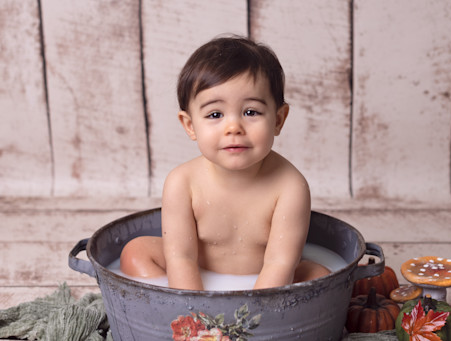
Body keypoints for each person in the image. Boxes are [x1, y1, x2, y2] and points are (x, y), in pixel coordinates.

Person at [120, 36, 330, 290]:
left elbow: (280, 262)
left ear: (277, 119)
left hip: (266, 280)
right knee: (135, 253)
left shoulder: (290, 186)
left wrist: (252, 316)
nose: (233, 127)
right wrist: (195, 314)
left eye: (251, 112)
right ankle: (166, 307)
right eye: (215, 114)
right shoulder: (182, 182)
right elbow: (181, 258)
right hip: (196, 273)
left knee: (320, 276)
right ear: (190, 125)